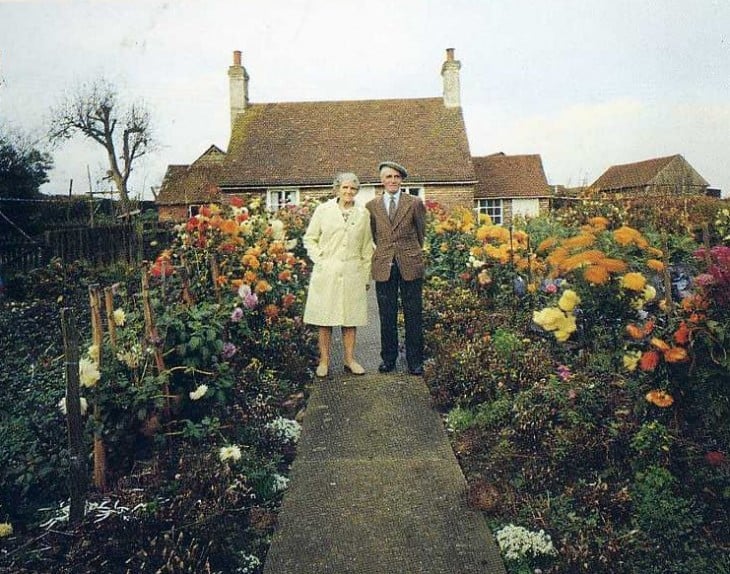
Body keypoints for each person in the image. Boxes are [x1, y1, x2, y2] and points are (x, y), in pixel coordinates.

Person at [303, 172, 374, 377]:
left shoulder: (363, 214)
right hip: (328, 271)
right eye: (345, 188)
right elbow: (310, 239)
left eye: (353, 188)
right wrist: (320, 259)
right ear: (337, 189)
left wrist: (365, 276)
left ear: (357, 191)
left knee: (350, 318)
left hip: (353, 272)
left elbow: (366, 248)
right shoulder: (323, 210)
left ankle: (349, 359)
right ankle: (324, 361)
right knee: (325, 318)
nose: (349, 192)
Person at [366, 161, 426, 376]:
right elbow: (374, 235)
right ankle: (388, 358)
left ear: (401, 180)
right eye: (388, 177)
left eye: (396, 177)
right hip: (384, 265)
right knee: (387, 314)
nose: (392, 181)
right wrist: (386, 252)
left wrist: (410, 252)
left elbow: (421, 233)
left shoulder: (414, 203)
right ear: (381, 180)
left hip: (410, 263)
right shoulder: (372, 206)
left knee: (413, 313)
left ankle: (415, 361)